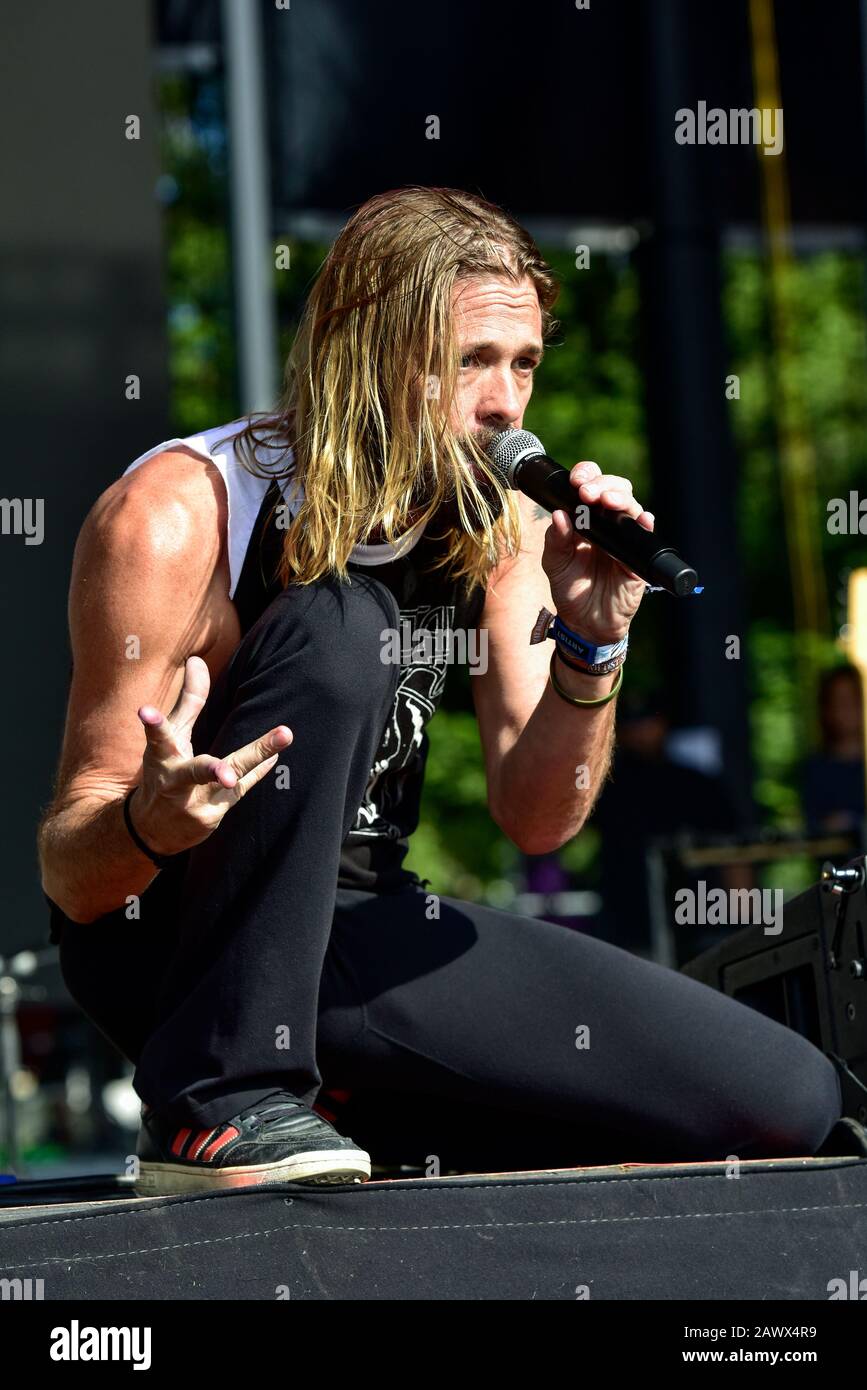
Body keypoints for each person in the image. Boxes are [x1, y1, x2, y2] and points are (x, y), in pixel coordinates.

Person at [37, 187, 841, 1195]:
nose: (506, 403)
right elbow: (74, 877)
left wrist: (594, 638)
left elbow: (538, 817)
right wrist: (154, 822)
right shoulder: (182, 511)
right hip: (177, 938)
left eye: (524, 364)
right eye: (472, 361)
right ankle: (215, 1101)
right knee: (344, 627)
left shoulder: (493, 527)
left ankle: (356, 1111)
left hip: (357, 929)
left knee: (785, 1102)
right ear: (368, 350)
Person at [802, 665, 865, 837]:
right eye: (838, 702)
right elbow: (812, 828)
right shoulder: (816, 768)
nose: (845, 710)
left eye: (851, 701)